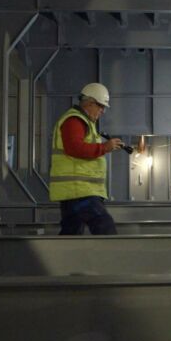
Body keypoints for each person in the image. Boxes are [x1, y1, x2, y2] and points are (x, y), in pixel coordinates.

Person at [50, 83, 123, 235]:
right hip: (80, 192)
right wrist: (105, 147)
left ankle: (61, 258)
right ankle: (114, 257)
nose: (102, 111)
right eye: (101, 106)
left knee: (71, 233)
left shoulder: (83, 122)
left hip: (75, 192)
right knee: (104, 226)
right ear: (90, 103)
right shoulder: (74, 121)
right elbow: (74, 148)